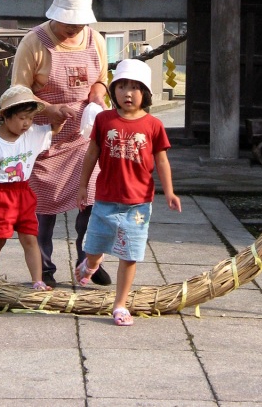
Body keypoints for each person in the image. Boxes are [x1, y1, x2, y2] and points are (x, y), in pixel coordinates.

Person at [11, 0, 111, 288]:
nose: (73, 29)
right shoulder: (35, 42)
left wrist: (97, 96)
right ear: (55, 16)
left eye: (78, 23)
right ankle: (44, 269)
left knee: (92, 203)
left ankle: (88, 261)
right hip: (43, 137)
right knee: (42, 209)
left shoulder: (95, 40)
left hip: (84, 137)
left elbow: (101, 80)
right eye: (68, 23)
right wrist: (50, 109)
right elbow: (18, 92)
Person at [75, 59, 182, 326]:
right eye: (122, 86)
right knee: (94, 247)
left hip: (138, 204)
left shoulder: (153, 125)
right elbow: (91, 153)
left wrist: (169, 192)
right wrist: (81, 185)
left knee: (129, 254)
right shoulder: (103, 119)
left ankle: (120, 304)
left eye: (135, 87)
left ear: (144, 93)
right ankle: (90, 265)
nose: (128, 93)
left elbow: (161, 160)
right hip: (105, 199)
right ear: (114, 91)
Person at [0, 85, 65, 290]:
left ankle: (37, 281)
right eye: (22, 118)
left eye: (30, 118)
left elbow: (53, 130)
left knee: (30, 238)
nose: (26, 123)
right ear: (6, 116)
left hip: (23, 193)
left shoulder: (32, 133)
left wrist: (61, 117)